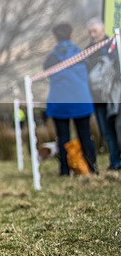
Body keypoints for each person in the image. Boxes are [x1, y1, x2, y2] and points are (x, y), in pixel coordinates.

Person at [44, 23, 98, 175]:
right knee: (85, 135)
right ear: (71, 34)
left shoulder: (52, 57)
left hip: (60, 102)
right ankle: (91, 167)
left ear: (56, 36)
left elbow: (46, 72)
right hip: (81, 101)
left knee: (63, 138)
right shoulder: (80, 53)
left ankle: (64, 170)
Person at [86, 18, 121, 170]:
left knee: (118, 127)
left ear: (103, 29)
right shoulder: (87, 51)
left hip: (114, 96)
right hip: (98, 98)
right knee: (106, 131)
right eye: (90, 32)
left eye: (95, 31)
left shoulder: (114, 44)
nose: (93, 35)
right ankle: (114, 161)